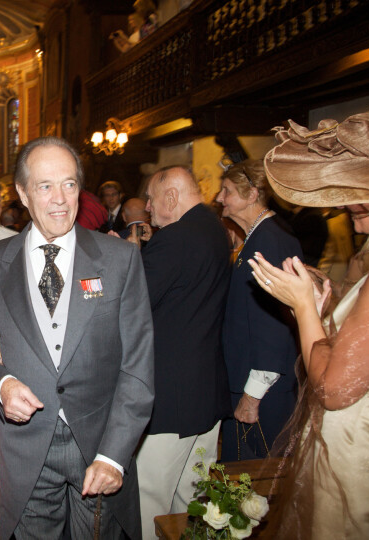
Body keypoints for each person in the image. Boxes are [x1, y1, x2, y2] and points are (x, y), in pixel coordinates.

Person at [0, 136, 154, 539]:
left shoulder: (120, 259)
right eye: (45, 186)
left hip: (99, 442)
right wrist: (3, 383)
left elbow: (138, 365)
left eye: (69, 184)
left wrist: (115, 456)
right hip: (27, 447)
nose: (60, 199)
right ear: (21, 193)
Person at [248, 108, 369, 539]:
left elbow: (335, 389)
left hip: (368, 460)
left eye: (355, 187)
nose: (341, 201)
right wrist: (323, 308)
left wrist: (303, 308)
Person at [136, 166, 232, 539]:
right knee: (193, 500)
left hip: (170, 394)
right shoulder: (213, 229)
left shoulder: (175, 239)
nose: (147, 207)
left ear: (171, 197)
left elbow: (135, 303)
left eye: (151, 197)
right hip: (203, 389)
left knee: (150, 500)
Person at [215, 159, 303, 461]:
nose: (219, 198)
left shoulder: (271, 241)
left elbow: (274, 328)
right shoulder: (260, 236)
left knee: (253, 485)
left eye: (226, 191)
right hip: (249, 381)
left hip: (262, 393)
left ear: (252, 194)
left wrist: (251, 397)